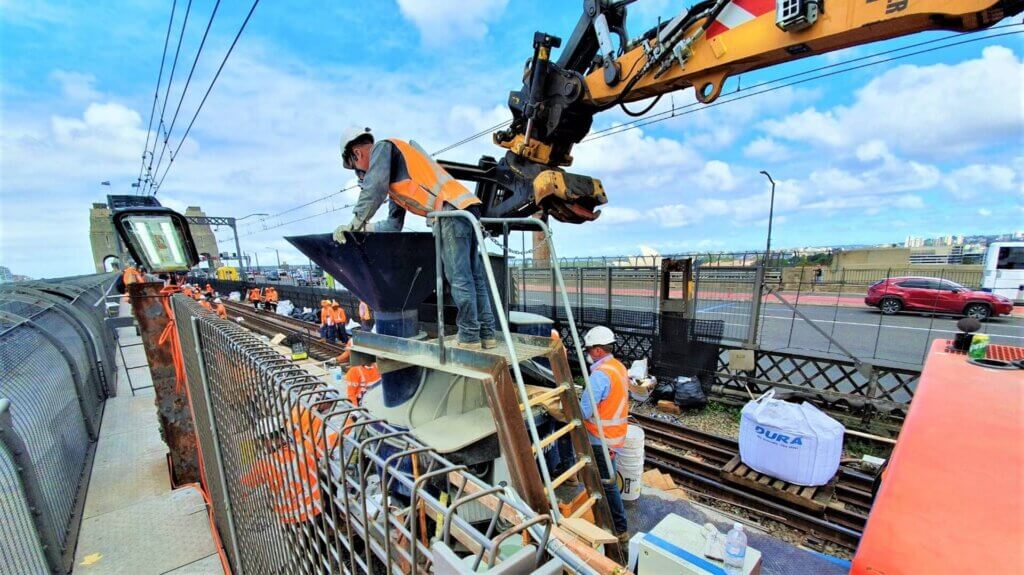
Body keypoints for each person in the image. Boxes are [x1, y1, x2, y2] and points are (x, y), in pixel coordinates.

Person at [334, 127, 495, 350]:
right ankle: (487, 335)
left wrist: (354, 223)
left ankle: (469, 337)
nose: (361, 174)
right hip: (466, 207)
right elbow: (393, 225)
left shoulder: (383, 147)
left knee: (460, 279)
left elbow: (373, 190)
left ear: (357, 154)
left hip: (450, 211)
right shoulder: (396, 177)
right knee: (474, 279)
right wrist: (365, 228)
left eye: (357, 169)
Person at [579, 325, 629, 543]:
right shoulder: (618, 367)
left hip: (601, 438)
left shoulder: (599, 376)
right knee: (608, 480)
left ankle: (620, 529)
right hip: (614, 437)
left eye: (589, 349)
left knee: (608, 484)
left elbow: (584, 412)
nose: (588, 353)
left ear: (598, 350)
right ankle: (616, 524)